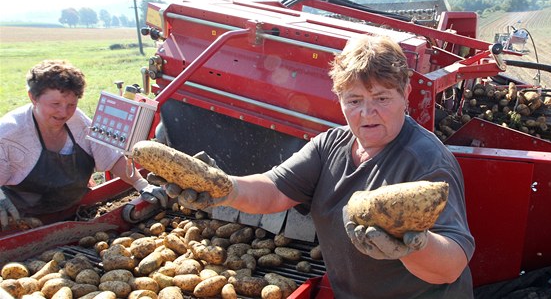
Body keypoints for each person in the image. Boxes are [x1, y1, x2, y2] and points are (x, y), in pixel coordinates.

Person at [164, 34, 475, 298]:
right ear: (338, 98)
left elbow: (452, 264)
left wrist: (413, 245)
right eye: (354, 101)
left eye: (381, 98)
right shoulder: (331, 145)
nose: (367, 113)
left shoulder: (426, 161)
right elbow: (273, 190)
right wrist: (224, 188)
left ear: (406, 94)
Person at [0, 60, 166, 230]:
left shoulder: (77, 121)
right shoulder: (9, 133)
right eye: (55, 104)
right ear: (33, 98)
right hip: (23, 222)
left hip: (77, 212)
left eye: (71, 104)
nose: (64, 113)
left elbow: (111, 158)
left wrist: (142, 184)